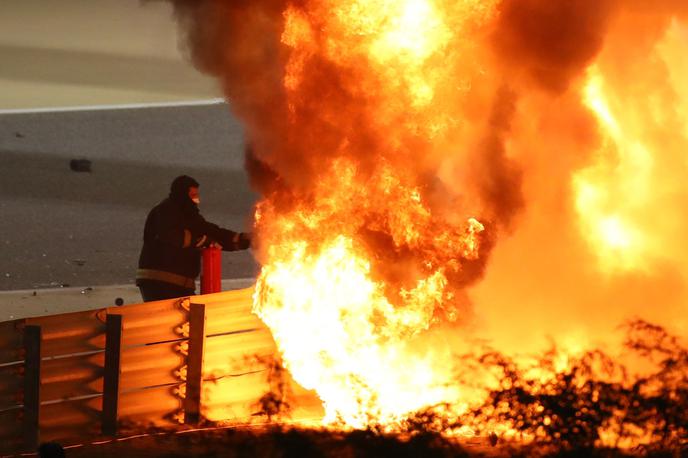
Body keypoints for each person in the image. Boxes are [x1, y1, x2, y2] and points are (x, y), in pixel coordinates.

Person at [136, 175, 251, 302]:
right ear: (182, 194)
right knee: (170, 318)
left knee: (189, 318)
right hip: (159, 283)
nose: (196, 199)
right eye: (193, 195)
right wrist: (201, 240)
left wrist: (239, 239)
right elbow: (172, 235)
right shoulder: (165, 211)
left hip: (180, 285)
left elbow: (210, 231)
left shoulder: (189, 214)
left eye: (196, 194)